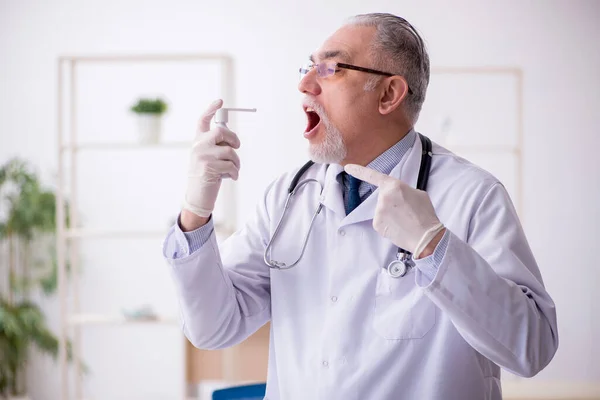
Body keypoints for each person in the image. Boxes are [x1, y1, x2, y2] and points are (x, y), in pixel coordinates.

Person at [162, 12, 558, 400]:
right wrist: (195, 210)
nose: (305, 83)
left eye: (331, 68)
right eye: (308, 66)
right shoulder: (288, 197)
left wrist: (434, 247)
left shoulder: (472, 195)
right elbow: (211, 328)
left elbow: (532, 348)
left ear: (389, 94)